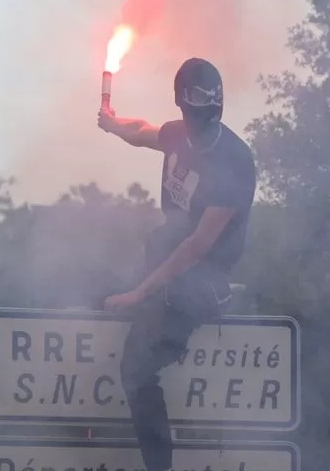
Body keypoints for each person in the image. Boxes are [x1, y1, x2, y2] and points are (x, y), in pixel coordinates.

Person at [97, 57, 257, 471]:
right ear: (182, 103)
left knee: (135, 367)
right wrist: (113, 125)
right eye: (198, 97)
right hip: (166, 256)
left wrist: (140, 291)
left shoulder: (233, 161)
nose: (208, 105)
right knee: (97, 288)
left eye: (212, 97)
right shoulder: (178, 135)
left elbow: (198, 245)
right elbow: (145, 132)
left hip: (201, 279)